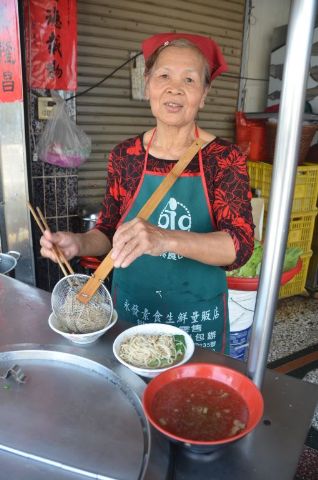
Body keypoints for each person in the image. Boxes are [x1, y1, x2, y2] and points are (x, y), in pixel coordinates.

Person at [40, 32, 254, 354]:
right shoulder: (125, 155)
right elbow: (111, 231)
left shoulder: (223, 158)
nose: (174, 87)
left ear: (205, 93)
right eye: (164, 75)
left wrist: (163, 239)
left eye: (190, 80)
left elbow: (239, 246)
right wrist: (78, 242)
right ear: (148, 84)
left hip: (197, 317)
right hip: (134, 313)